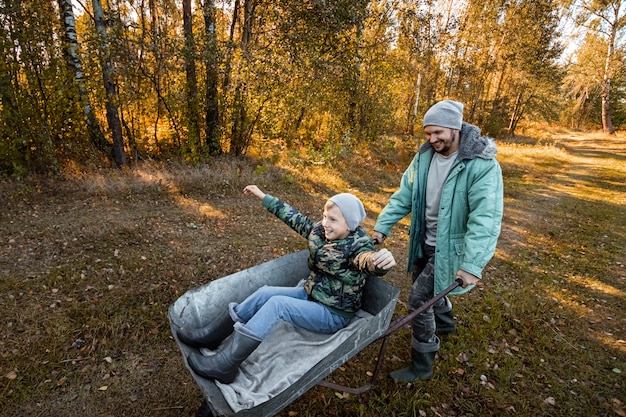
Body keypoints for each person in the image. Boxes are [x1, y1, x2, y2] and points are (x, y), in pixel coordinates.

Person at [177, 185, 397, 383]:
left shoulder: (357, 247)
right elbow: (295, 219)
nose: (325, 223)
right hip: (311, 293)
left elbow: (368, 262)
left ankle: (225, 365)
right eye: (324, 216)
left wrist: (381, 263)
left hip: (333, 313)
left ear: (350, 225)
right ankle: (213, 336)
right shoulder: (321, 232)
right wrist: (265, 197)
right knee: (265, 293)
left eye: (333, 219)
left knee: (278, 305)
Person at [372, 100, 503, 382]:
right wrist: (382, 227)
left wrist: (472, 265)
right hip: (424, 240)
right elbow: (404, 195)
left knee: (419, 299)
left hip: (452, 248)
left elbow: (486, 219)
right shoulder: (423, 157)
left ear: (455, 128)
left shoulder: (480, 165)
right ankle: (444, 325)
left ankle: (422, 364)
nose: (432, 139)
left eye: (437, 133)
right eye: (427, 133)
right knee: (426, 286)